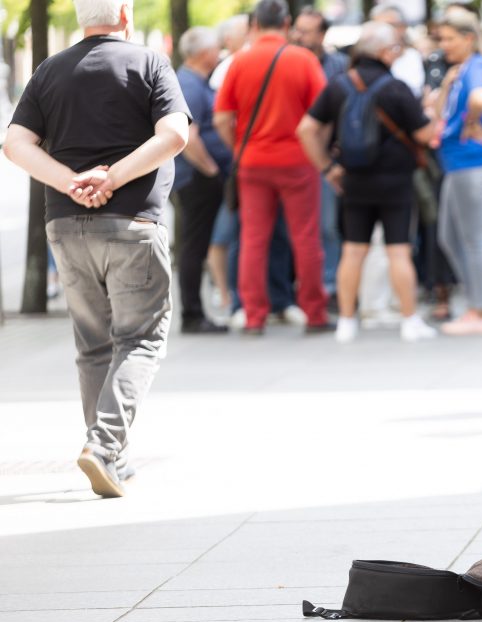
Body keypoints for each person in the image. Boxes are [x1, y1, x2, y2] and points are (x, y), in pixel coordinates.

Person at [3, 0, 190, 497]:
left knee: (93, 346)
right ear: (125, 14)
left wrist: (69, 183)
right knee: (141, 339)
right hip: (132, 222)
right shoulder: (149, 63)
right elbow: (174, 135)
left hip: (66, 224)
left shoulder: (48, 71)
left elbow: (15, 143)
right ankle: (104, 447)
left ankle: (111, 456)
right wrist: (113, 177)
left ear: (84, 18)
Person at [298, 21, 438, 343]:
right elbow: (425, 135)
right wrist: (431, 111)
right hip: (396, 183)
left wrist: (327, 167)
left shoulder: (338, 85)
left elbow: (305, 129)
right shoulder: (396, 88)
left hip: (353, 181)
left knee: (353, 251)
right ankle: (409, 321)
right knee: (399, 251)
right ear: (385, 52)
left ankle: (347, 321)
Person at [213, 0, 331, 335]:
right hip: (298, 160)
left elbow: (222, 117)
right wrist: (318, 150)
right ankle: (315, 313)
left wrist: (238, 147)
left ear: (254, 24)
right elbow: (322, 115)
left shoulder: (240, 62)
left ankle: (253, 315)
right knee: (306, 237)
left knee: (253, 238)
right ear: (287, 23)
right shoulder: (304, 60)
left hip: (252, 161)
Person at [434, 10, 482, 335]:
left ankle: (479, 310)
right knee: (450, 236)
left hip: (471, 163)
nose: (444, 44)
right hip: (460, 163)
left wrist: (472, 122)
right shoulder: (465, 68)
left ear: (468, 38)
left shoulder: (478, 67)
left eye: (449, 38)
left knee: (473, 239)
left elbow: (480, 97)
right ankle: (477, 301)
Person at [174, 26, 230, 334]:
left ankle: (195, 312)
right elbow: (189, 137)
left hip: (197, 176)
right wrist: (211, 171)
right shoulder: (190, 85)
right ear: (204, 53)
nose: (219, 53)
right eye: (216, 48)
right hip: (197, 177)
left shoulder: (193, 82)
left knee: (196, 243)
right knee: (194, 245)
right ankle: (193, 314)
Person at [292, 6, 350, 304]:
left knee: (327, 225)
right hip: (291, 157)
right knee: (297, 229)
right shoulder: (287, 60)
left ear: (323, 34)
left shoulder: (340, 64)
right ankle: (303, 288)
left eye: (306, 31)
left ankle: (329, 287)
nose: (299, 36)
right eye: (297, 30)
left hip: (326, 158)